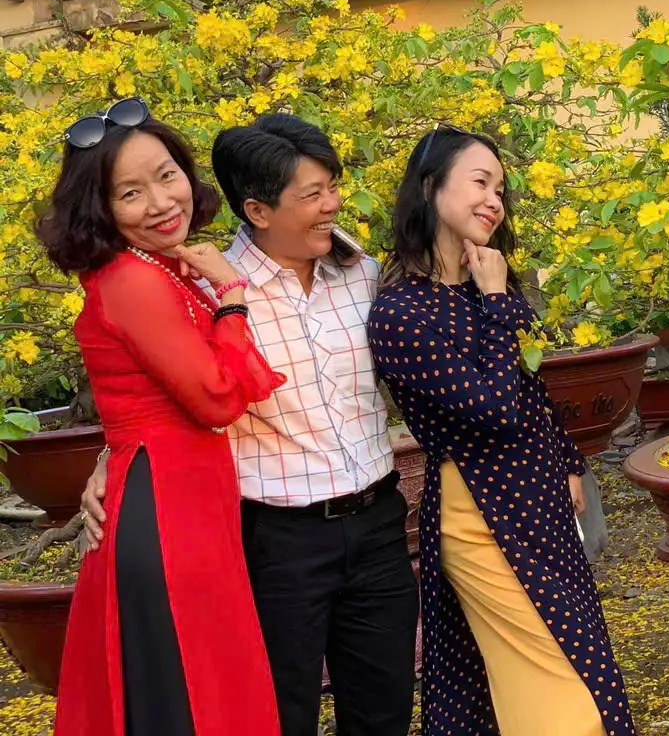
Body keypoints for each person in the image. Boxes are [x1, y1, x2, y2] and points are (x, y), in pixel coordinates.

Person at [80, 114, 419, 736]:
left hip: (377, 525)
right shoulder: (205, 288)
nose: (331, 206)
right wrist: (112, 459)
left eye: (332, 187)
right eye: (311, 195)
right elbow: (163, 388)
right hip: (277, 541)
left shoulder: (366, 276)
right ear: (259, 211)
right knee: (276, 715)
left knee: (384, 711)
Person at [368, 123, 635, 736]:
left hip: (541, 502)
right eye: (481, 183)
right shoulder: (400, 312)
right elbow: (493, 409)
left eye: (501, 190)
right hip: (482, 511)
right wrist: (496, 301)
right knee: (565, 700)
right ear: (430, 187)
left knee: (575, 668)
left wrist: (569, 462)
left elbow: (531, 390)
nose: (495, 201)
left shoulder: (486, 285)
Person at [40, 99, 281, 736]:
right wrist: (232, 297)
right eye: (130, 192)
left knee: (191, 685)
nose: (160, 201)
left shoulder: (156, 267)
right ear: (101, 208)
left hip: (180, 493)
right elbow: (216, 399)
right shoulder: (132, 279)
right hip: (169, 506)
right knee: (185, 692)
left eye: (167, 175)